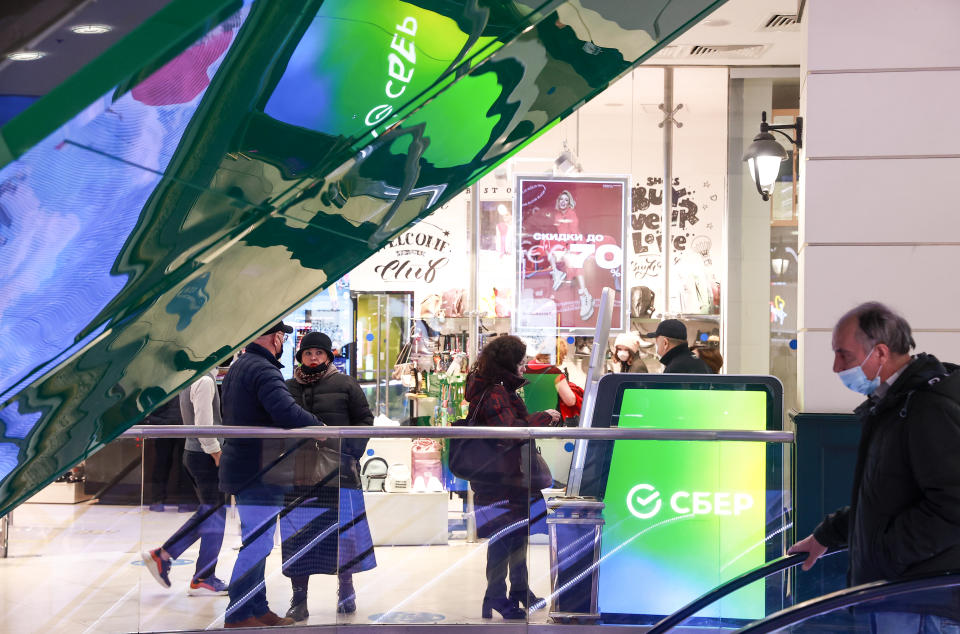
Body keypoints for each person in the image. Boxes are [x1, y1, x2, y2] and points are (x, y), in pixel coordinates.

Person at [788, 302, 960, 633]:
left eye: (845, 356)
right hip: (900, 596)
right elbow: (886, 500)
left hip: (919, 601)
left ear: (880, 353)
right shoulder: (893, 405)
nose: (836, 367)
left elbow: (953, 507)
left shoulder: (927, 408)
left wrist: (884, 559)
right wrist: (829, 534)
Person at [219, 321, 324, 629]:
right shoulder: (264, 370)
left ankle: (256, 606)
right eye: (282, 338)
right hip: (260, 469)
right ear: (277, 338)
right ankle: (238, 614)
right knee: (257, 544)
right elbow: (286, 411)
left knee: (258, 541)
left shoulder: (242, 364)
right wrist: (320, 428)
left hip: (247, 466)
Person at [280, 332, 377, 622]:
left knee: (343, 534)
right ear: (300, 357)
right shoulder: (287, 387)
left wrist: (349, 453)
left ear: (327, 356)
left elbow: (364, 420)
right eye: (307, 353)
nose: (313, 358)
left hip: (339, 473)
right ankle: (299, 599)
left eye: (318, 353)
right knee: (298, 537)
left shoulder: (345, 383)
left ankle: (346, 590)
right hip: (298, 474)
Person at [464, 335, 561, 620]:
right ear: (509, 362)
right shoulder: (495, 392)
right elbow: (509, 430)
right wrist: (543, 417)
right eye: (520, 360)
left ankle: (516, 589)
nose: (524, 366)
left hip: (507, 474)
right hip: (501, 476)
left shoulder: (496, 387)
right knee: (503, 536)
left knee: (516, 533)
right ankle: (496, 595)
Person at [142, 369, 228, 595]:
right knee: (214, 515)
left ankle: (168, 558)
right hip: (205, 455)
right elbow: (203, 424)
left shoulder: (192, 376)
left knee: (210, 513)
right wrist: (216, 453)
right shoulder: (205, 381)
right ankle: (200, 575)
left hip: (195, 453)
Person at [144, 396, 193, 512]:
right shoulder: (188, 384)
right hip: (183, 426)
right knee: (183, 465)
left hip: (165, 427)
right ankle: (184, 502)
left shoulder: (165, 387)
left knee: (162, 463)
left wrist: (160, 422)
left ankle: (158, 500)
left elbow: (152, 410)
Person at [641, 319, 713, 374]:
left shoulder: (674, 368)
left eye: (657, 342)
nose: (656, 345)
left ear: (665, 343)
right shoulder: (697, 360)